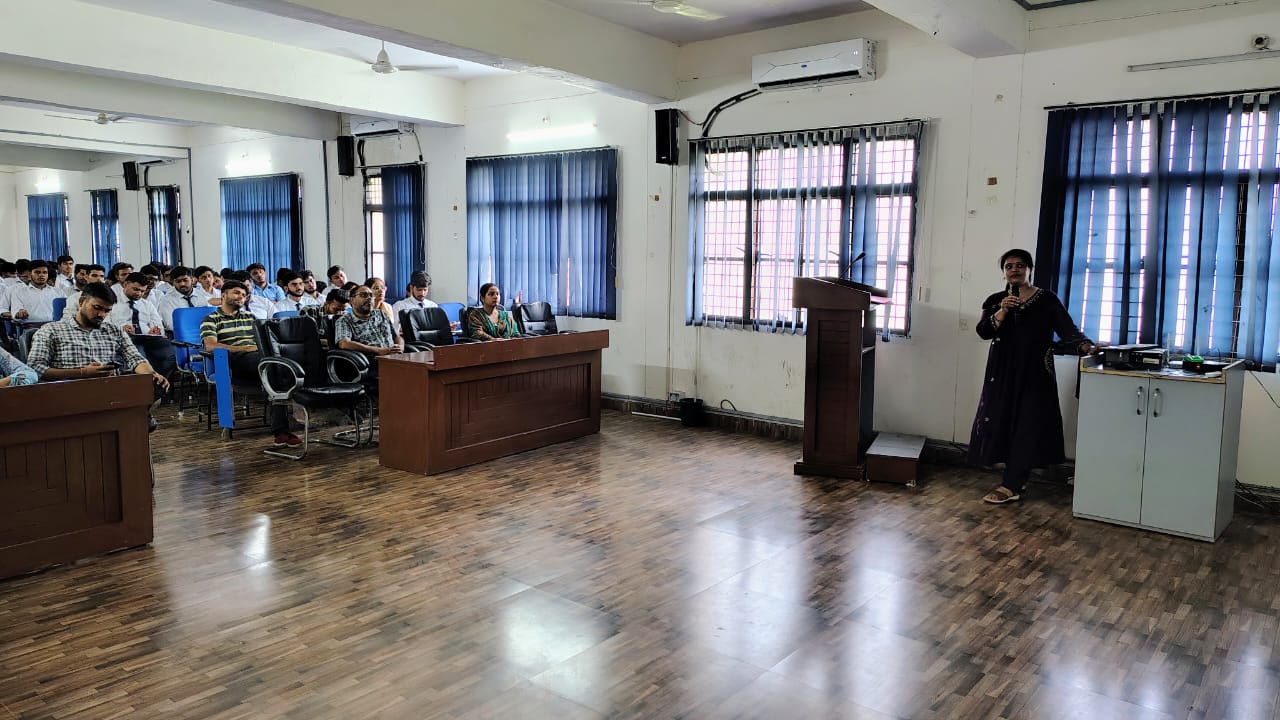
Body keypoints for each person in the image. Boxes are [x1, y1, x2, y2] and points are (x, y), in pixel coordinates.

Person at [970, 249, 1097, 505]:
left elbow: (1067, 330)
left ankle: (1012, 484)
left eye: (1020, 265)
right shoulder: (995, 300)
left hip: (1035, 373)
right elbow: (983, 331)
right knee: (1003, 422)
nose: (1014, 270)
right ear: (1004, 272)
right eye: (1008, 266)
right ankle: (1017, 477)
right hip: (1002, 373)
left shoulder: (1046, 299)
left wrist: (1086, 346)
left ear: (1029, 269)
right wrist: (1002, 311)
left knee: (1027, 425)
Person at [200, 279, 301, 448]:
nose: (241, 296)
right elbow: (210, 346)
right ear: (223, 295)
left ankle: (281, 431)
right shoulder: (211, 319)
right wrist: (244, 348)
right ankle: (283, 428)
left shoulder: (250, 317)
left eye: (243, 294)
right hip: (234, 362)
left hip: (259, 359)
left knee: (278, 369)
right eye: (236, 293)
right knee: (275, 368)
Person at [26, 282, 170, 394]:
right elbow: (35, 368)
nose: (102, 315)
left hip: (111, 392)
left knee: (152, 390)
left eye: (107, 311)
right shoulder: (51, 330)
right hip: (67, 393)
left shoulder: (114, 331)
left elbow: (135, 359)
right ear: (81, 302)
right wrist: (82, 373)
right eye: (97, 308)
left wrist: (152, 375)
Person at [108, 272, 177, 380]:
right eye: (135, 289)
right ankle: (146, 383)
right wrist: (121, 329)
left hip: (148, 338)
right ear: (125, 284)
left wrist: (155, 331)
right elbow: (105, 324)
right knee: (140, 355)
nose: (139, 293)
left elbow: (157, 323)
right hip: (125, 339)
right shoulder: (112, 303)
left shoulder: (146, 304)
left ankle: (158, 382)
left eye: (142, 291)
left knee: (172, 354)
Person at [335, 284, 404, 378]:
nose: (369, 298)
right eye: (364, 295)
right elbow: (344, 343)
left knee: (420, 369)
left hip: (394, 359)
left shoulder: (381, 314)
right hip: (371, 364)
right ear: (352, 300)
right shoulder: (345, 320)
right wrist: (378, 351)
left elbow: (396, 336)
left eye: (371, 295)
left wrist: (400, 347)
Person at [157, 266, 210, 332]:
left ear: (192, 280)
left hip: (203, 333)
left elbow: (207, 318)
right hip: (179, 335)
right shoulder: (166, 300)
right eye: (178, 281)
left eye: (185, 280)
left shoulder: (200, 295)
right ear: (173, 282)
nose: (182, 284)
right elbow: (171, 325)